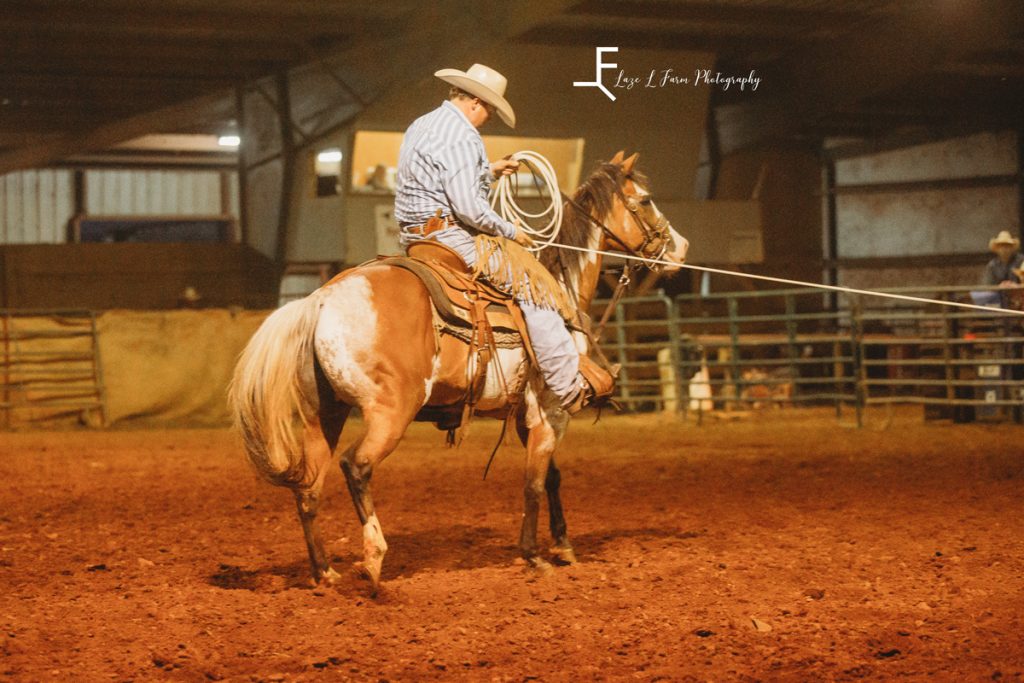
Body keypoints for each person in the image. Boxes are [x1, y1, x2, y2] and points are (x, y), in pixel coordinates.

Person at [394, 63, 612, 413]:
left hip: (415, 236)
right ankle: (567, 387)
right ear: (476, 103)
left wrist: (488, 170)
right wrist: (513, 231)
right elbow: (469, 209)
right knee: (536, 289)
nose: (489, 117)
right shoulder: (464, 135)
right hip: (452, 236)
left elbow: (440, 174)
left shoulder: (423, 124)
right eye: (490, 110)